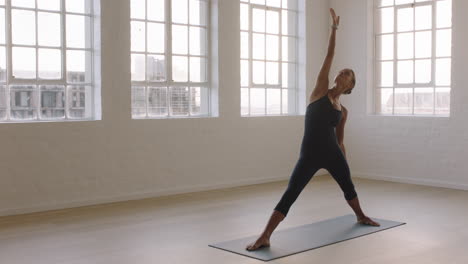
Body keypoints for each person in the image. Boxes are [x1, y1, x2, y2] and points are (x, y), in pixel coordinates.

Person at [246, 8, 380, 252]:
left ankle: (360, 215)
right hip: (309, 154)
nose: (342, 73)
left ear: (350, 86)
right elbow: (329, 56)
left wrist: (345, 162)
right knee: (291, 192)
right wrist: (334, 30)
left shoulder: (344, 112)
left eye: (347, 74)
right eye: (342, 71)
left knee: (348, 186)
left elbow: (340, 141)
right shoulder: (319, 91)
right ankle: (265, 235)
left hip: (332, 154)